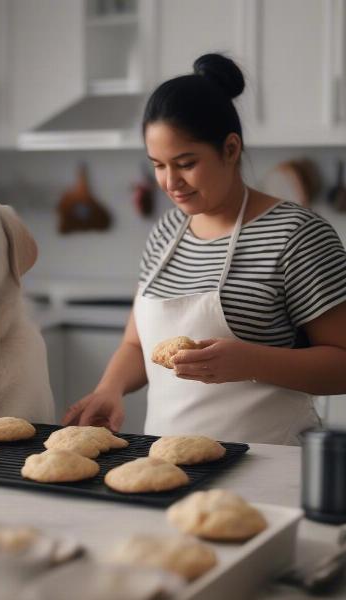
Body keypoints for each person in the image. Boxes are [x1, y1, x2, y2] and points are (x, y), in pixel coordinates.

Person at [63, 53, 346, 445]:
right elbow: (135, 342)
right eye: (158, 165)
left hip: (267, 466)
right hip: (168, 464)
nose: (170, 182)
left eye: (185, 163)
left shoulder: (297, 234)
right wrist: (109, 389)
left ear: (230, 150)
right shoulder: (166, 232)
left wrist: (250, 361)